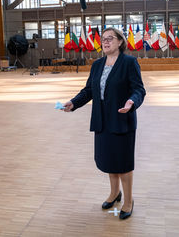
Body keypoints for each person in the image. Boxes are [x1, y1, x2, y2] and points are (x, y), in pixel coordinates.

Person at [63, 27, 146, 220]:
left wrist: (132, 101)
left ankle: (128, 200)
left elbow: (139, 90)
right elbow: (89, 91)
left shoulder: (129, 63)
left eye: (110, 38)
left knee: (123, 163)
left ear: (120, 42)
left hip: (121, 119)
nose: (106, 42)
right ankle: (114, 193)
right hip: (102, 120)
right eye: (103, 39)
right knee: (109, 160)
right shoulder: (97, 64)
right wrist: (74, 102)